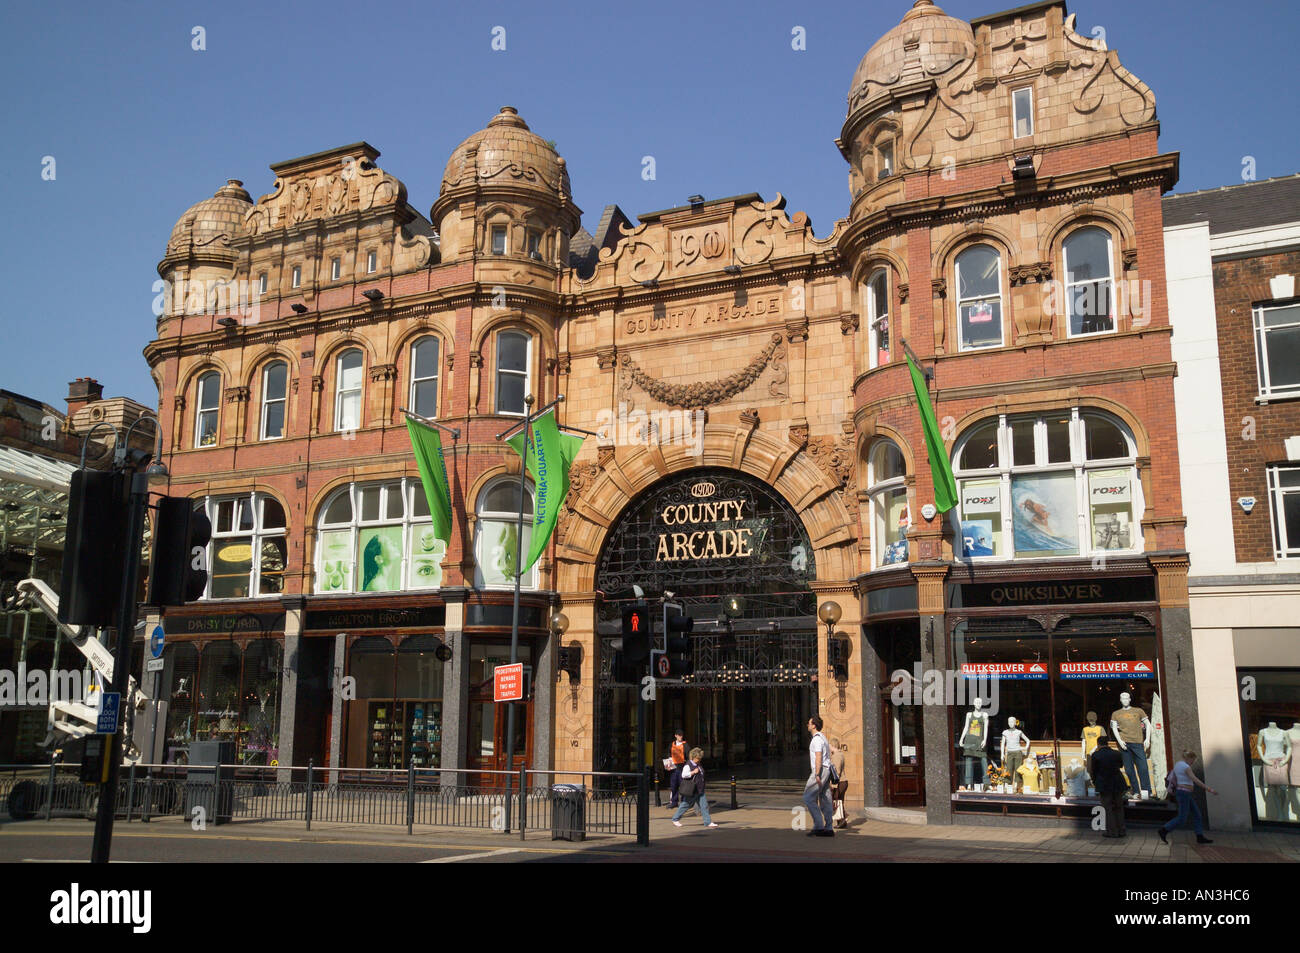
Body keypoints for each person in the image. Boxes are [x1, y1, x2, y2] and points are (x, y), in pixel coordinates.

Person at [1158, 750, 1217, 845]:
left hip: (1183, 793)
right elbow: (1195, 779)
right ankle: (1164, 830)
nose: (1193, 762)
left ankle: (1199, 836)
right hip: (1184, 793)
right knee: (1182, 818)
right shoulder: (1186, 767)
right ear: (1189, 758)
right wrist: (1209, 789)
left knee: (1197, 814)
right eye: (1193, 760)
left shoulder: (1178, 764)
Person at [1089, 735, 1128, 838]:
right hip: (1118, 782)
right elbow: (1120, 766)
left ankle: (1112, 831)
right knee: (1119, 807)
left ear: (1098, 744)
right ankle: (1122, 830)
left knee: (1108, 808)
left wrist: (1095, 781)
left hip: (1104, 783)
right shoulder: (1117, 754)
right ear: (1108, 743)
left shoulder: (1096, 755)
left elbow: (1093, 771)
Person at [803, 716, 834, 837]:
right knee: (825, 798)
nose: (807, 725)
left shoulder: (816, 740)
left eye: (809, 723)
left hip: (820, 770)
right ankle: (829, 827)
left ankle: (819, 826)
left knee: (808, 797)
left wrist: (816, 774)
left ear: (814, 725)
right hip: (826, 769)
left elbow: (818, 756)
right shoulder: (823, 738)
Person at [672, 748, 718, 828]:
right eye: (698, 758)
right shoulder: (688, 765)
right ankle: (675, 818)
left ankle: (708, 822)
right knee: (685, 804)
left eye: (700, 758)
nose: (699, 759)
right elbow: (684, 775)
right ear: (693, 757)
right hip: (693, 790)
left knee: (704, 806)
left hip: (699, 789)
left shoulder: (698, 764)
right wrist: (693, 772)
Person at [830, 737, 849, 829]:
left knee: (836, 801)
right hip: (843, 782)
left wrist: (833, 785)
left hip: (840, 782)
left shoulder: (836, 756)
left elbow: (836, 771)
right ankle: (842, 821)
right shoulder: (839, 754)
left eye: (829, 745)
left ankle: (843, 818)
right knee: (839, 801)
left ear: (832, 745)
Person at [668, 729, 688, 809]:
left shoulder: (685, 745)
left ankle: (683, 802)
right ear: (675, 735)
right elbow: (669, 754)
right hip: (673, 768)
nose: (681, 737)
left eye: (682, 735)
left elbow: (688, 756)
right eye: (679, 735)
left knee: (682, 786)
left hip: (682, 768)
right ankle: (674, 802)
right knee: (674, 786)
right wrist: (668, 763)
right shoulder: (671, 744)